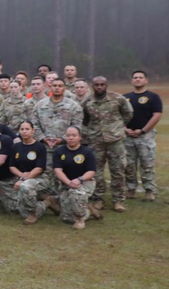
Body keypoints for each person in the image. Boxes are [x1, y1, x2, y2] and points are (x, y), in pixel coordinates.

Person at [81, 76, 133, 212]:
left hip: (115, 141)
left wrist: (117, 127)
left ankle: (118, 200)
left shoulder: (118, 99)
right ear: (92, 86)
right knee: (96, 171)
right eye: (96, 85)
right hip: (96, 141)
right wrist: (91, 132)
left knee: (118, 170)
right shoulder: (88, 102)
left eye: (102, 84)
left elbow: (128, 114)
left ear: (106, 85)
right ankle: (98, 199)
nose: (99, 87)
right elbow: (84, 120)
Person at [123, 70, 161, 202]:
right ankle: (131, 189)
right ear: (132, 80)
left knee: (147, 164)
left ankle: (149, 190)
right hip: (128, 137)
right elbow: (118, 116)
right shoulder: (125, 98)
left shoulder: (153, 97)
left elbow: (157, 116)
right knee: (129, 165)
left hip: (145, 137)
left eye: (140, 77)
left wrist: (143, 130)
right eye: (135, 77)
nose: (138, 79)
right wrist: (125, 129)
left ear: (146, 80)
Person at [53, 126, 98, 230]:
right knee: (67, 218)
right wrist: (68, 182)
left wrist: (79, 179)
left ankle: (80, 220)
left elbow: (91, 171)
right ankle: (89, 210)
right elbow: (58, 170)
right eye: (68, 135)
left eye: (74, 135)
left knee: (76, 192)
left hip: (85, 182)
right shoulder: (59, 151)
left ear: (79, 137)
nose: (71, 138)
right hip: (66, 183)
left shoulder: (87, 152)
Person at [9, 121, 49, 225]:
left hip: (39, 178)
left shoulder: (40, 147)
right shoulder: (16, 147)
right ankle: (47, 202)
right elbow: (12, 166)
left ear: (33, 131)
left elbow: (39, 168)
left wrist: (23, 180)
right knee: (18, 211)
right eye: (22, 129)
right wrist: (21, 176)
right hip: (22, 177)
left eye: (27, 129)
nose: (24, 132)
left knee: (26, 187)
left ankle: (33, 214)